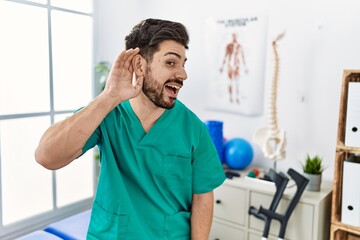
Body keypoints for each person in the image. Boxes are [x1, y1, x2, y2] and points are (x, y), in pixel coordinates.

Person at [35, 18, 226, 240]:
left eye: (184, 64)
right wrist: (108, 97)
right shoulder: (108, 113)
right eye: (171, 63)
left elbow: (203, 196)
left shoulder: (193, 128)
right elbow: (46, 156)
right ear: (139, 65)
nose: (183, 75)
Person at [219, 32, 248, 104]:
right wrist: (222, 67)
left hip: (236, 65)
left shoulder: (239, 46)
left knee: (237, 82)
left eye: (235, 36)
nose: (234, 38)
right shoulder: (229, 46)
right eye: (233, 36)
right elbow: (225, 56)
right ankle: (230, 97)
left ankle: (237, 97)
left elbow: (243, 56)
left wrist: (245, 67)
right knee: (230, 82)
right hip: (230, 65)